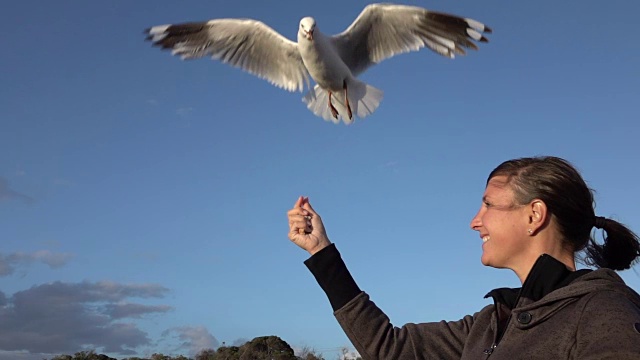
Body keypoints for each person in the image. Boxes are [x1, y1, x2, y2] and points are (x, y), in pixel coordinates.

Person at [286, 156, 640, 360]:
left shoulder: (603, 313)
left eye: (487, 204)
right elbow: (388, 348)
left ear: (534, 215)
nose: (475, 221)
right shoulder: (489, 324)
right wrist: (321, 251)